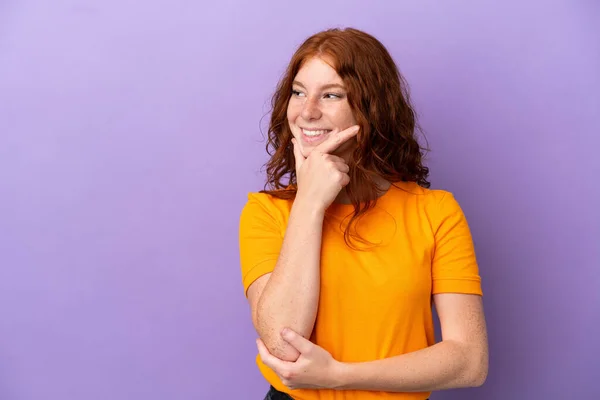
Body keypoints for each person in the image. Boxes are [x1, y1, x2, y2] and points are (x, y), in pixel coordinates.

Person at [238, 27, 488, 400]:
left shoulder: (436, 213)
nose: (307, 111)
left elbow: (470, 362)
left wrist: (338, 376)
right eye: (299, 92)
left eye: (332, 95)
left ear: (371, 107)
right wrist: (309, 203)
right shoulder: (266, 212)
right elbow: (281, 343)